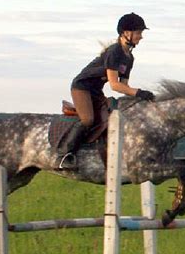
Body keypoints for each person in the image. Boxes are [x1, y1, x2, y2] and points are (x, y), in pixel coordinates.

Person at [57, 12, 155, 170]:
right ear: (126, 33)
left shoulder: (129, 58)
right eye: (138, 33)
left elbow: (124, 86)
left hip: (95, 91)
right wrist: (138, 92)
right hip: (82, 88)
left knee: (109, 116)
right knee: (88, 120)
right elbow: (114, 85)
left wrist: (140, 96)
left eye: (141, 33)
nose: (141, 37)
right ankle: (65, 155)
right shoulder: (114, 52)